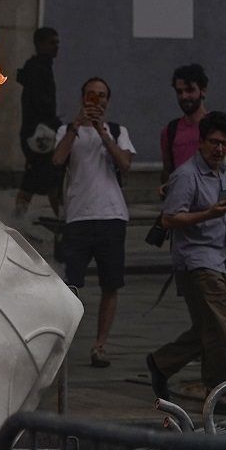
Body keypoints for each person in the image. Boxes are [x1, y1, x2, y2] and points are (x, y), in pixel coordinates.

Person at [146, 111, 226, 409]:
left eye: (224, 144)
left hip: (221, 256)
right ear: (201, 142)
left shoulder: (224, 171)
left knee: (224, 323)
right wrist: (207, 215)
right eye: (214, 143)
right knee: (217, 328)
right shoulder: (187, 176)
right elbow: (169, 218)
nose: (219, 149)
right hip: (196, 261)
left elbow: (224, 211)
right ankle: (218, 394)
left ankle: (162, 363)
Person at [52, 77, 134, 368]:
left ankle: (100, 345)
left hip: (112, 215)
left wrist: (102, 132)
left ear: (107, 102)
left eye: (101, 96)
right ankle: (59, 347)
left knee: (110, 285)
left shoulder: (116, 131)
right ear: (82, 98)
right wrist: (77, 126)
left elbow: (125, 164)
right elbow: (57, 159)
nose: (96, 101)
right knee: (68, 286)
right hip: (78, 217)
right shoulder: (66, 130)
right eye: (91, 95)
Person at [158, 63, 226, 193]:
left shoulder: (221, 125)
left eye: (190, 90)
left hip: (213, 204)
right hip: (183, 206)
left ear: (203, 91)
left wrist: (215, 192)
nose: (184, 96)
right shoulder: (170, 130)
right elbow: (168, 170)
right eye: (179, 91)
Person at [14, 28, 63, 220]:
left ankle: (61, 221)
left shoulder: (43, 67)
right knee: (34, 177)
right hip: (38, 135)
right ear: (40, 44)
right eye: (52, 42)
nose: (56, 46)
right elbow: (39, 104)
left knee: (50, 178)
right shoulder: (36, 69)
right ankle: (17, 219)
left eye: (57, 42)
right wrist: (51, 123)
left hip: (43, 133)